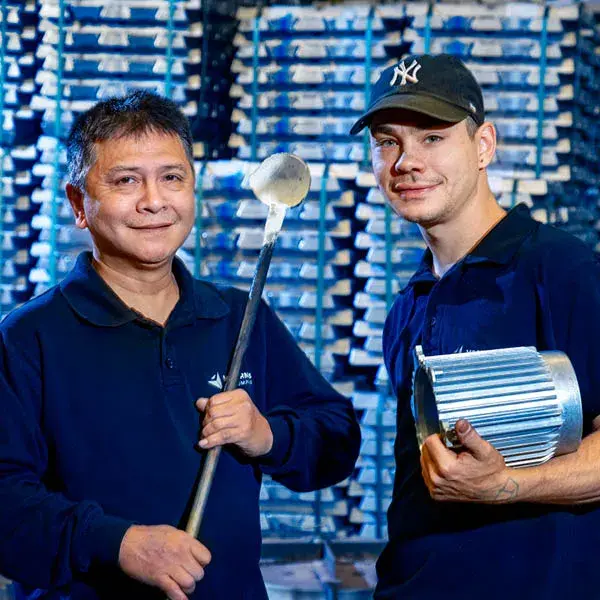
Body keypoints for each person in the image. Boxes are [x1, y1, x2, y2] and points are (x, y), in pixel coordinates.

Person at [0, 91, 361, 600]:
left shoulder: (238, 318)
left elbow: (338, 440)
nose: (154, 200)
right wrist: (118, 543)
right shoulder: (28, 336)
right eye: (126, 181)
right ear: (79, 203)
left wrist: (268, 436)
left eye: (172, 178)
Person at [350, 53, 600, 599]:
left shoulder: (560, 271)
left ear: (484, 144)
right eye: (387, 141)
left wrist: (507, 486)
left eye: (432, 138)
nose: (406, 162)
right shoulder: (408, 305)